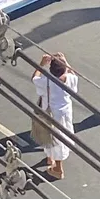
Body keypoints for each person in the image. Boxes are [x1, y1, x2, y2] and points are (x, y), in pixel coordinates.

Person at [32, 52, 78, 180]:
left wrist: (41, 64)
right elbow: (73, 74)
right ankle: (50, 158)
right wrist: (65, 61)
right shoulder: (69, 78)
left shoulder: (46, 80)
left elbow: (34, 78)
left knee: (52, 137)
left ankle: (58, 168)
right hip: (64, 112)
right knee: (60, 136)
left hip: (49, 111)